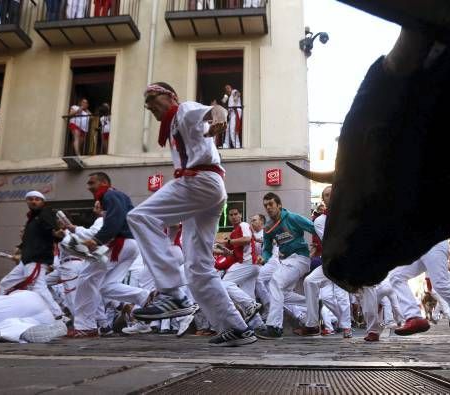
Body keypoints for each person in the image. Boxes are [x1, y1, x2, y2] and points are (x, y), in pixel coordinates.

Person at [128, 82, 256, 347]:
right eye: (146, 101)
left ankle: (172, 294)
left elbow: (215, 110)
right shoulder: (178, 125)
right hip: (207, 189)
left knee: (140, 217)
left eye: (152, 97)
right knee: (197, 269)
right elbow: (204, 127)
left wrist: (219, 117)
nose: (148, 104)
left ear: (170, 96)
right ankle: (237, 328)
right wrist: (212, 127)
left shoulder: (183, 109)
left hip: (199, 182)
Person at [69, 173, 153, 338]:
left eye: (92, 182)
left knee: (86, 278)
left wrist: (97, 240)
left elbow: (116, 218)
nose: (89, 187)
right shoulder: (116, 196)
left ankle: (85, 327)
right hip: (129, 246)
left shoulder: (110, 194)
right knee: (105, 287)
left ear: (104, 183)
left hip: (120, 245)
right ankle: (146, 296)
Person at [253, 192, 316, 340]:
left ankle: (274, 327)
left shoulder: (293, 218)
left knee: (275, 282)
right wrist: (264, 258)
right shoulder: (268, 227)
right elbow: (267, 249)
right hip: (286, 261)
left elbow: (313, 228)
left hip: (300, 258)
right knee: (282, 294)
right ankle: (312, 302)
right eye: (265, 205)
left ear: (279, 205)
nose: (268, 208)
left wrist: (320, 248)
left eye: (271, 204)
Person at [295, 185, 353, 338]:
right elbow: (332, 241)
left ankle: (347, 327)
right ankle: (313, 324)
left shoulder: (348, 214)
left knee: (341, 294)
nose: (330, 196)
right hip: (329, 262)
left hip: (345, 261)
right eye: (326, 195)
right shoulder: (320, 221)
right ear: (324, 200)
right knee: (310, 282)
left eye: (332, 193)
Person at [0, 191, 63, 319]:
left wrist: (55, 233)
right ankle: (2, 313)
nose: (33, 201)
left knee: (38, 287)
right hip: (27, 260)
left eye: (37, 199)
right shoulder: (32, 219)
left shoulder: (45, 212)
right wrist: (20, 247)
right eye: (31, 199)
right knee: (5, 284)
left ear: (43, 202)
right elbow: (32, 237)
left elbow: (50, 229)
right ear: (27, 202)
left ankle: (58, 315)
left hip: (37, 258)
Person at [221, 84, 242, 149]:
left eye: (228, 88)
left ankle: (237, 145)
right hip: (231, 115)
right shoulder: (228, 97)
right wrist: (225, 99)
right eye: (226, 89)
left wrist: (235, 98)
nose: (227, 89)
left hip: (235, 113)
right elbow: (223, 102)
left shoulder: (234, 91)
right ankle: (226, 145)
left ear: (230, 88)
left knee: (233, 129)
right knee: (227, 129)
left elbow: (238, 93)